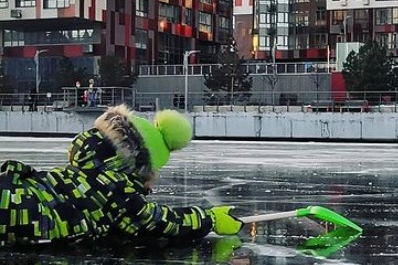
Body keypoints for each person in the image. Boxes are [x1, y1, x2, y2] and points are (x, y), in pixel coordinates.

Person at [0, 104, 242, 246]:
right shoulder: (118, 191)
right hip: (15, 210)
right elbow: (155, 221)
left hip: (15, 190)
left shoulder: (80, 173)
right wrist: (209, 219)